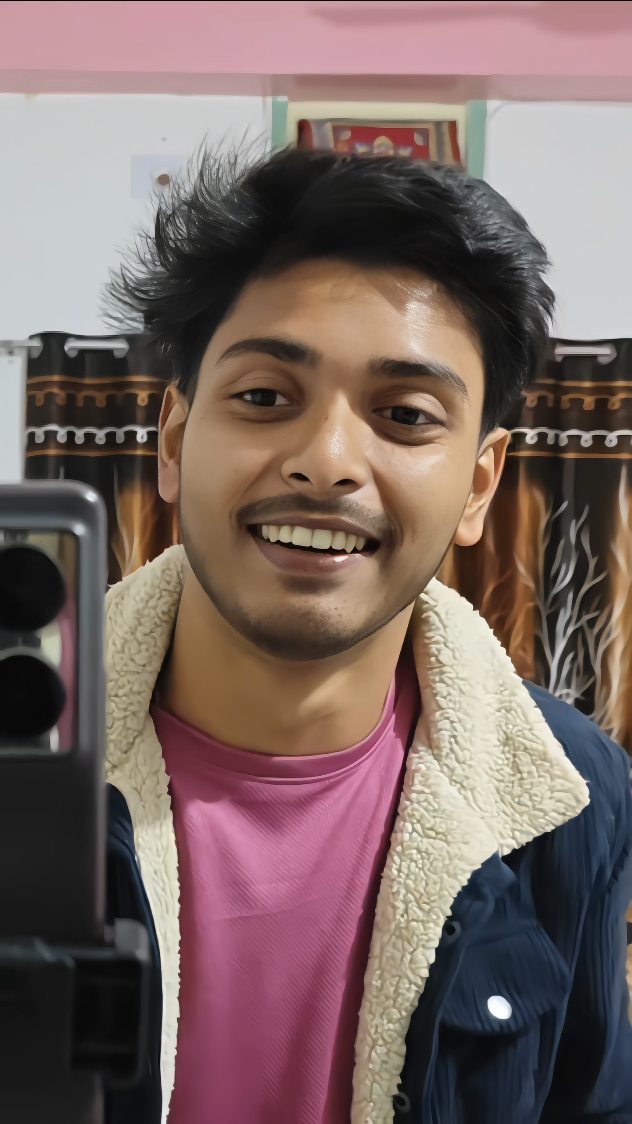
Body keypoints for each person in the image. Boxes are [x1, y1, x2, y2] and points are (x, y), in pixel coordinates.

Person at [103, 148, 632, 1124]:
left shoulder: (571, 791)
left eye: (404, 414)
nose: (327, 461)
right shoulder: (29, 756)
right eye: (265, 397)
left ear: (478, 485)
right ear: (173, 442)